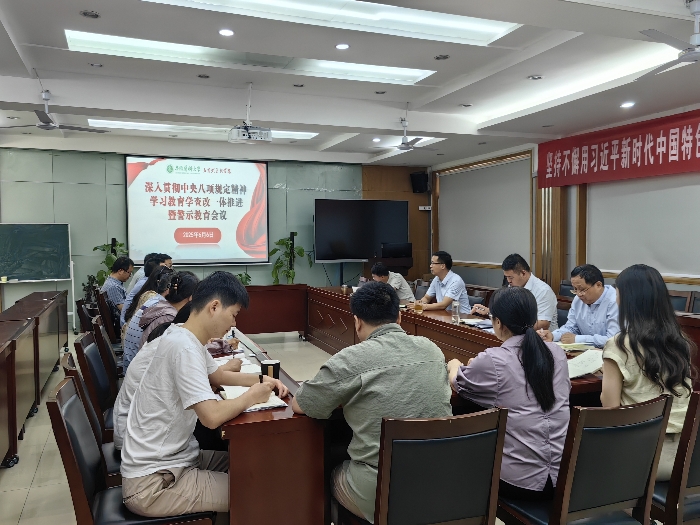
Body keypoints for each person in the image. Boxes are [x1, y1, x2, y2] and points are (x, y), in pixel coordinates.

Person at [120, 272, 288, 518]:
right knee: (261, 490)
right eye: (233, 315)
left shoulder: (182, 333)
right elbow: (211, 417)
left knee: (251, 463)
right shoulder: (184, 347)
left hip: (176, 460)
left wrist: (264, 380)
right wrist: (252, 395)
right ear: (214, 307)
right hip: (154, 483)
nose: (234, 324)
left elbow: (219, 376)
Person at [292, 282, 452, 523]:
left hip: (381, 491)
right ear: (399, 317)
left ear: (357, 322)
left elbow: (302, 404)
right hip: (441, 484)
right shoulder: (432, 350)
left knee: (326, 470)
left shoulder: (350, 359)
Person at [448, 286, 571, 500]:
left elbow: (458, 381)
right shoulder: (557, 353)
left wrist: (454, 363)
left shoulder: (494, 359)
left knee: (460, 452)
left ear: (498, 323)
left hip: (520, 483)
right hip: (564, 476)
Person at [601, 264, 695, 481]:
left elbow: (610, 409)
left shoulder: (619, 345)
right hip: (688, 455)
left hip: (645, 458)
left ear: (627, 298)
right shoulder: (680, 341)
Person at [122, 271, 198, 371]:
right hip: (142, 373)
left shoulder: (160, 306)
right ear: (191, 297)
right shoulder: (168, 317)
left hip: (135, 365)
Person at [538, 264, 619, 348]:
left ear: (598, 285)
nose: (579, 294)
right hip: (586, 351)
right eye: (575, 289)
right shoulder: (578, 300)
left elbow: (613, 339)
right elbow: (571, 328)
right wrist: (553, 335)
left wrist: (577, 339)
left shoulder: (615, 301)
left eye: (582, 289)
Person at [472, 253, 558, 331]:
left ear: (523, 273)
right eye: (506, 277)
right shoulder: (512, 287)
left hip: (541, 339)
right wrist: (490, 312)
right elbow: (506, 312)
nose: (508, 281)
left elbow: (542, 325)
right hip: (517, 335)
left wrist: (512, 326)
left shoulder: (543, 291)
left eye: (511, 277)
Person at [121, 253, 172, 326]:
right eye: (164, 268)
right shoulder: (146, 284)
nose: (168, 270)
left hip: (129, 321)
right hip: (127, 323)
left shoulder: (147, 280)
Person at [100, 256, 134, 323]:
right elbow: (123, 309)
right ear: (120, 271)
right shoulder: (113, 287)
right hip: (120, 322)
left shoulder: (115, 283)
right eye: (129, 273)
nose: (130, 276)